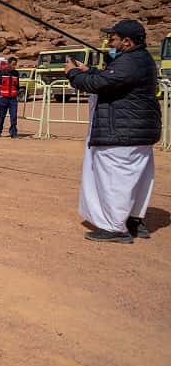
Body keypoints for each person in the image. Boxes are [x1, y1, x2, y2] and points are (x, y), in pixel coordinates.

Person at [66, 19, 161, 244]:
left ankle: (114, 228)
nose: (109, 41)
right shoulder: (139, 59)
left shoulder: (130, 62)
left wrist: (73, 74)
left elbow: (99, 84)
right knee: (135, 179)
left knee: (114, 179)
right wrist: (91, 70)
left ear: (127, 42)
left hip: (121, 132)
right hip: (136, 131)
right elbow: (111, 77)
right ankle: (132, 220)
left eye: (114, 38)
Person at [0, 57, 20, 139]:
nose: (14, 66)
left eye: (15, 64)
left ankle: (13, 132)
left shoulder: (16, 73)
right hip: (3, 99)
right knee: (2, 116)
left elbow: (17, 86)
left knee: (14, 117)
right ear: (9, 64)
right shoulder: (2, 72)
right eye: (13, 64)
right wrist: (0, 94)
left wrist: (17, 93)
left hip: (13, 99)